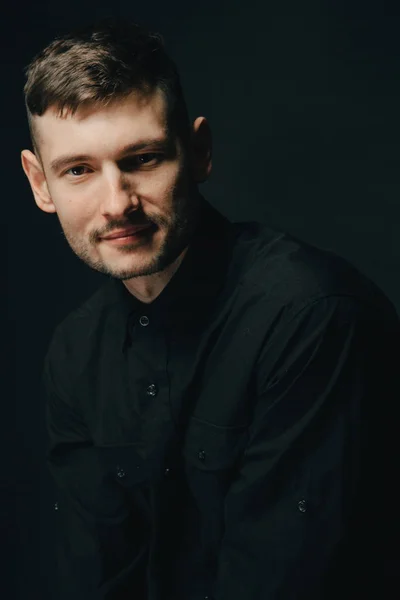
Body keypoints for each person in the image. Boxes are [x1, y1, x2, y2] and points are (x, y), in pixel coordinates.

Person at [21, 18, 399, 600]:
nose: (117, 203)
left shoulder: (311, 315)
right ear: (40, 184)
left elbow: (287, 581)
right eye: (79, 171)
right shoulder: (75, 352)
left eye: (143, 159)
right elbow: (99, 575)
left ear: (197, 152)